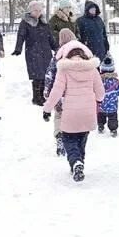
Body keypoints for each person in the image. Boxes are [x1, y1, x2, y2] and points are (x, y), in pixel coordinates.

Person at [43, 41, 105, 182]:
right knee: (82, 139)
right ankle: (78, 163)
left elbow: (56, 92)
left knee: (69, 140)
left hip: (71, 112)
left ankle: (76, 162)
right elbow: (100, 91)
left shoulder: (64, 69)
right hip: (88, 112)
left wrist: (47, 109)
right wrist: (99, 101)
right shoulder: (92, 69)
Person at [12, 1, 57, 106]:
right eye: (35, 10)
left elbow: (50, 37)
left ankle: (42, 96)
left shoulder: (44, 22)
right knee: (37, 75)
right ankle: (36, 97)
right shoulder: (25, 22)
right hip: (33, 52)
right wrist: (18, 48)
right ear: (30, 11)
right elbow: (21, 36)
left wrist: (56, 48)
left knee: (45, 74)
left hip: (46, 52)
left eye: (40, 10)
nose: (38, 12)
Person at [44, 28, 77, 157]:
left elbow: (49, 74)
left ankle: (59, 136)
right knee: (72, 116)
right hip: (75, 94)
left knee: (59, 116)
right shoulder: (81, 54)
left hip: (59, 94)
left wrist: (47, 92)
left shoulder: (58, 55)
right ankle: (73, 138)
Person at [98, 55, 119, 137]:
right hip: (112, 105)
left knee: (101, 116)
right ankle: (113, 129)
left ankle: (101, 126)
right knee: (113, 118)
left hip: (101, 105)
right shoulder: (115, 81)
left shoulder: (99, 81)